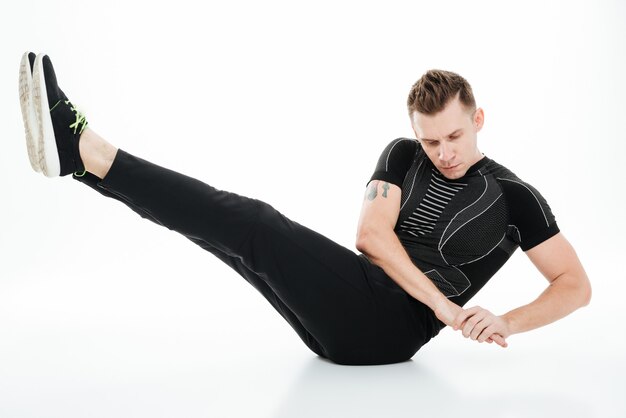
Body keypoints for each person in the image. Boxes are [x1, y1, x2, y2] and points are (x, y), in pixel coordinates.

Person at [18, 52, 592, 366]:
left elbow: (575, 284)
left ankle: (87, 150)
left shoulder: (515, 197)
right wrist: (445, 304)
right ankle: (79, 164)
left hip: (389, 335)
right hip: (352, 307)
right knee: (225, 238)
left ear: (479, 119)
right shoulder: (401, 155)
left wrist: (507, 321)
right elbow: (371, 236)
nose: (443, 153)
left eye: (454, 137)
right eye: (430, 141)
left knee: (253, 223)